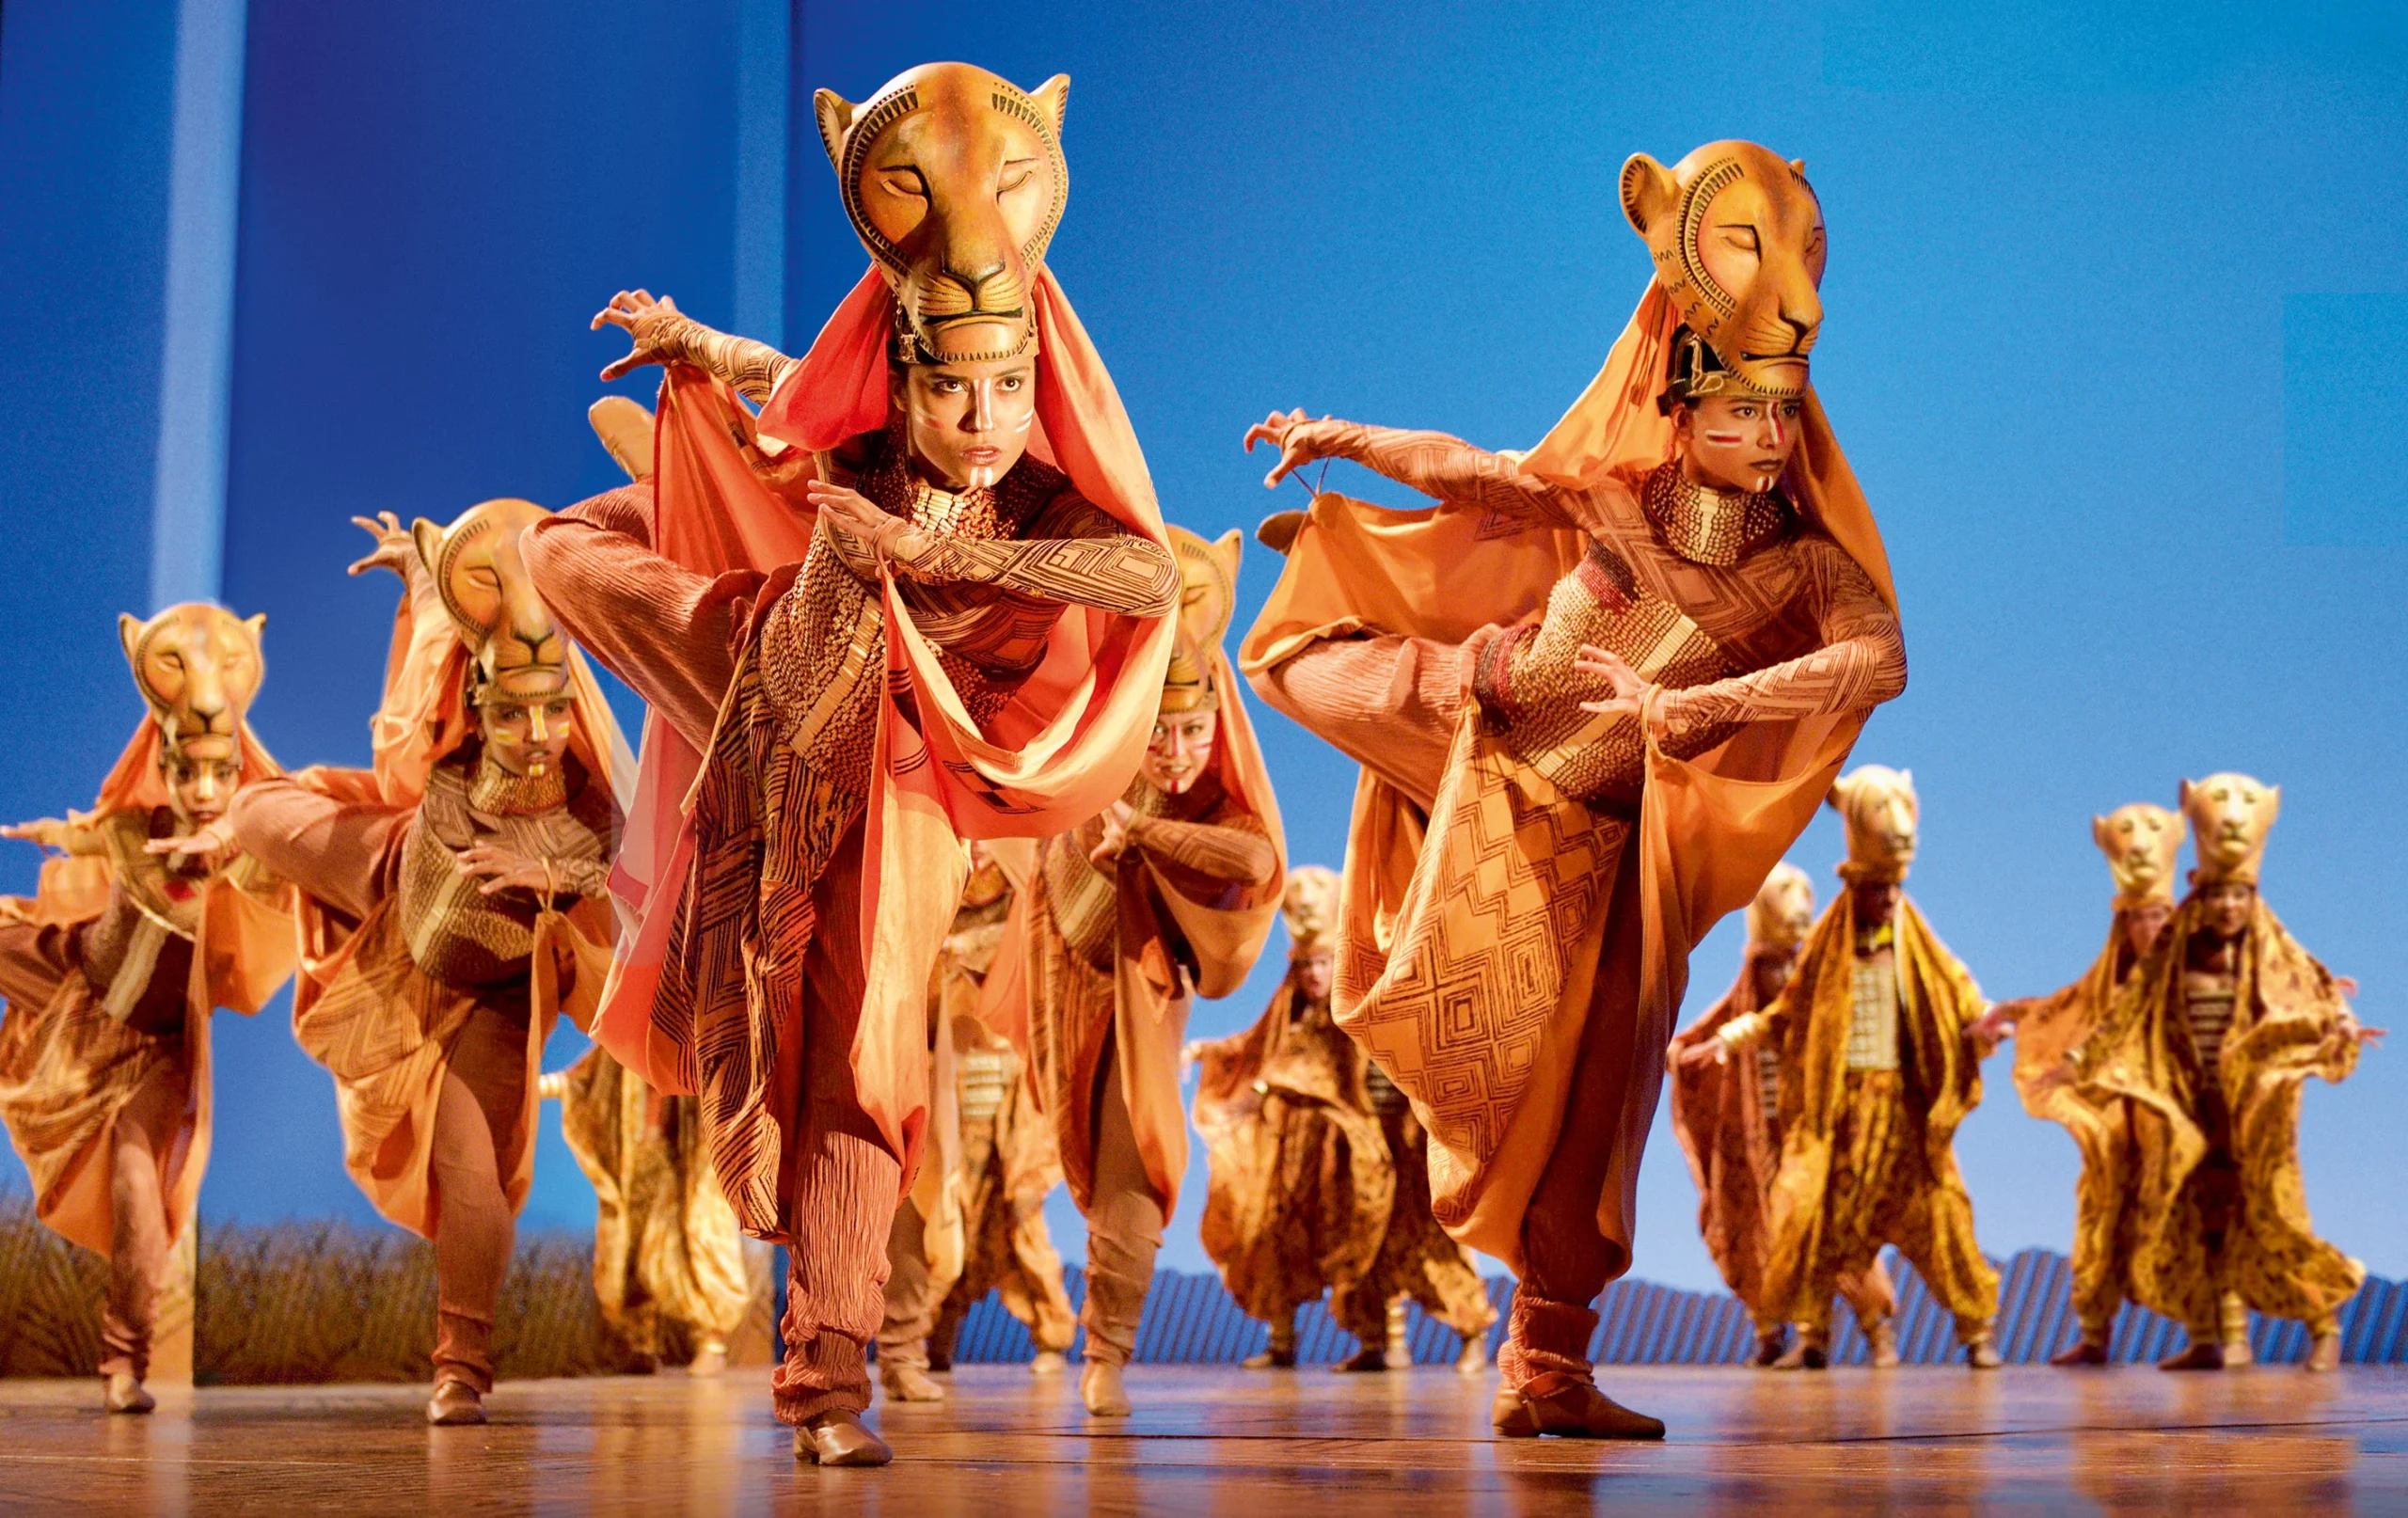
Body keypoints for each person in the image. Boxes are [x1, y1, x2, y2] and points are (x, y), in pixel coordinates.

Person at [521, 62, 1179, 1464]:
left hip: (903, 765)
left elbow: (1140, 568)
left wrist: (948, 552)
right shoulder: (870, 424)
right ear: (908, 377)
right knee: (554, 539)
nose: (986, 417)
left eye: (1010, 387)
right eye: (956, 390)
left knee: (860, 1058)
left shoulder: (1033, 490)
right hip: (765, 678)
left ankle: (826, 1378)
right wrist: (691, 341)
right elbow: (796, 381)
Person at [1238, 141, 1901, 1437]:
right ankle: (1345, 591)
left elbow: (1881, 657)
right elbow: (1472, 468)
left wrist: (1700, 707)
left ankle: (1547, 1367)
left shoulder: (1805, 571)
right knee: (1297, 657)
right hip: (1475, 716)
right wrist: (1338, 442)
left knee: (1598, 1104)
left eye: (1780, 415)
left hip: (1593, 841)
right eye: (1736, 413)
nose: (1763, 436)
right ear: (1685, 404)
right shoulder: (1620, 495)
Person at [230, 502, 627, 1426]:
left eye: (554, 707)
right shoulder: (451, 749)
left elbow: (617, 868)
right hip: (395, 868)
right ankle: (253, 867)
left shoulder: (587, 800)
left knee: (472, 1170)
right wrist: (421, 579)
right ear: (481, 699)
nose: (537, 732)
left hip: (482, 985)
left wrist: (549, 874)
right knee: (255, 814)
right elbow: (413, 700)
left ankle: (461, 1367)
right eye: (515, 708)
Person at [1015, 525, 1284, 1416]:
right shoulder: (1086, 749)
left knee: (1133, 1161)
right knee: (1046, 1158)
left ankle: (1108, 1353)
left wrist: (1155, 835)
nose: (1175, 753)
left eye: (1195, 731)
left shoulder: (1211, 792)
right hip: (1054, 971)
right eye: (1159, 732)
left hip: (1140, 988)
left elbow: (1254, 862)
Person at [0, 605, 293, 1414]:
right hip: (74, 981)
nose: (202, 792)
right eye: (186, 771)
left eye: (220, 774)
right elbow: (92, 834)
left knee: (140, 1193)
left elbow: (301, 866)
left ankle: (123, 1361)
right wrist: (55, 834)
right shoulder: (136, 827)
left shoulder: (249, 857)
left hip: (152, 1050)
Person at [1692, 766, 2002, 1368]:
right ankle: (1814, 1337)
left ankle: (1977, 1332)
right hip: (1839, 1114)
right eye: (1875, 892)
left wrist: (1983, 1021)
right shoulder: (1831, 942)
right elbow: (1787, 1012)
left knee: (1940, 1219)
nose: (1885, 903)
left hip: (1902, 1116)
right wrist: (1730, 1037)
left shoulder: (1915, 941)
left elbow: (1958, 991)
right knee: (1814, 1222)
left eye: (1892, 892)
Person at [2074, 774, 2381, 1372]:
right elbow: (2131, 1005)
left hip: (2251, 1109)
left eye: (2239, 896)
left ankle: (2324, 1325)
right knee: (2195, 1220)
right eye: (2219, 896)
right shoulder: (2174, 952)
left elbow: (2315, 992)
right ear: (2201, 895)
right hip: (2190, 1107)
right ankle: (2216, 1336)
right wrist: (2082, 1062)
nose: (2229, 907)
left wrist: (2338, 1022)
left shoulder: (2272, 949)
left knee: (2273, 1217)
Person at [1975, 803, 2215, 1366]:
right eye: (2137, 918)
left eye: (2158, 916)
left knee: (2181, 1212)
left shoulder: (2189, 973)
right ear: (2122, 924)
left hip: (2172, 1112)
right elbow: (2070, 1010)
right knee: (2099, 1210)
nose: (2147, 928)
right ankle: (2095, 1330)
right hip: (2114, 1117)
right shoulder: (2110, 978)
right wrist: (2013, 1012)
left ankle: (2206, 1334)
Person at [1670, 862, 1898, 1368]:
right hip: (1760, 1136)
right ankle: (1776, 1334)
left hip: (1812, 1129)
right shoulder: (1752, 978)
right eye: (1785, 895)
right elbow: (1721, 1020)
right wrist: (1687, 1049)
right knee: (1756, 1231)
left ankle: (1874, 1330)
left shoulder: (1819, 971)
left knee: (1835, 1231)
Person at [878, 845, 1076, 1399]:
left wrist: (962, 947)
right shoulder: (922, 889)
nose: (980, 850)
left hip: (1011, 1077)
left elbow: (1043, 964)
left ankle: (1050, 1335)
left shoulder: (1032, 896)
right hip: (936, 1074)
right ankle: (908, 1347)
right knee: (928, 1208)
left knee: (1013, 1210)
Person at [1191, 866, 1392, 1370]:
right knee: (1273, 1229)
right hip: (1288, 1145)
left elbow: (1320, 1070)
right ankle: (1282, 1340)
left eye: (1324, 963)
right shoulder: (1291, 1010)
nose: (1315, 975)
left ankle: (1378, 1342)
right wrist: (1202, 1049)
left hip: (1340, 1143)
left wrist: (1272, 1083)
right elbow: (1255, 1046)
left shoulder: (1353, 1011)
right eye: (1306, 966)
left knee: (1357, 1233)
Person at [541, 1044, 754, 1375]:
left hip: (681, 1165)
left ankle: (711, 1341)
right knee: (626, 1253)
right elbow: (582, 1080)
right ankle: (640, 1343)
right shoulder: (623, 1037)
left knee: (686, 1246)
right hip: (634, 1163)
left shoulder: (695, 1036)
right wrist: (536, 1086)